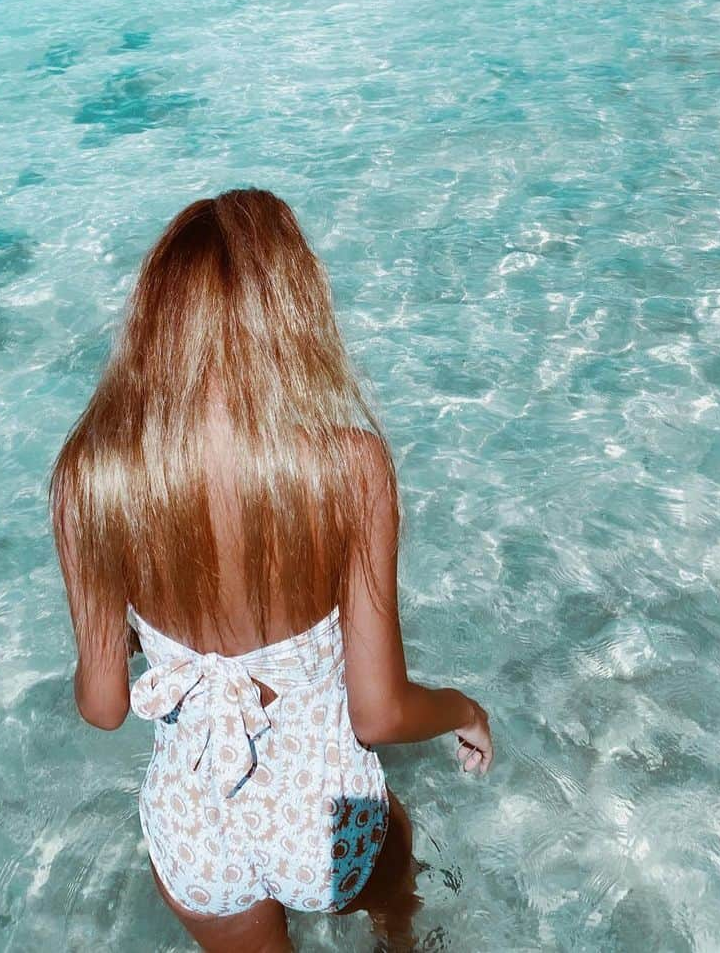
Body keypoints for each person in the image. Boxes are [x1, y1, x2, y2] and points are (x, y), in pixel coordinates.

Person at [50, 189, 494, 952]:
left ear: (152, 324)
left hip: (195, 831)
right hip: (324, 818)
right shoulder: (346, 468)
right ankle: (396, 934)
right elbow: (378, 714)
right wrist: (465, 710)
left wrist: (152, 643)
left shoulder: (92, 477)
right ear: (292, 315)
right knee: (398, 905)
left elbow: (102, 706)